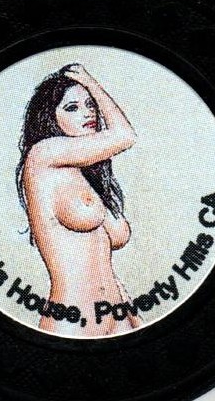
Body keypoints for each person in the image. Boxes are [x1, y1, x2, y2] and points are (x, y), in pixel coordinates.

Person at [16, 63, 140, 336]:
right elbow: (125, 136)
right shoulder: (42, 155)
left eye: (90, 104)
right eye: (72, 107)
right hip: (71, 320)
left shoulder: (84, 175)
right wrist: (91, 83)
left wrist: (134, 319)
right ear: (50, 118)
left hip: (119, 317)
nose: (88, 112)